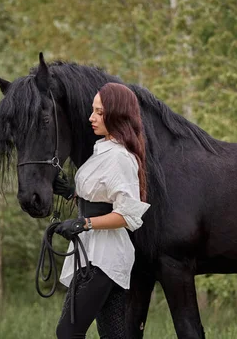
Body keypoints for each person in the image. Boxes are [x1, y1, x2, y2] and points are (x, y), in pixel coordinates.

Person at [52, 82, 150, 339]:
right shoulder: (104, 151)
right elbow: (102, 196)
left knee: (68, 332)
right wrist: (71, 192)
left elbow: (128, 215)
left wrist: (84, 224)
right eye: (93, 111)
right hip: (98, 254)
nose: (91, 118)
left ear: (116, 115)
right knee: (113, 335)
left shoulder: (119, 157)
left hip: (103, 257)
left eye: (99, 113)